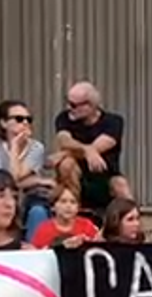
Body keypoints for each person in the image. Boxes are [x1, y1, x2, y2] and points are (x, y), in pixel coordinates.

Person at [51, 81, 130, 212]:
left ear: (91, 105)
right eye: (68, 102)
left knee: (121, 186)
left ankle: (134, 225)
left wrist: (65, 153)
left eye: (74, 105)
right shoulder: (64, 118)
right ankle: (74, 211)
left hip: (104, 175)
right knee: (66, 164)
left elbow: (102, 145)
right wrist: (88, 150)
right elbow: (64, 140)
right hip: (74, 177)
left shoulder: (113, 121)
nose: (69, 108)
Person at [0, 99, 51, 239]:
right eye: (19, 119)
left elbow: (13, 178)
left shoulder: (36, 147)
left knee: (38, 211)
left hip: (30, 196)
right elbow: (6, 180)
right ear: (3, 123)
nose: (25, 123)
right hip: (0, 194)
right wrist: (37, 180)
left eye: (28, 119)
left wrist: (32, 182)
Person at [28, 185, 100, 249]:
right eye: (63, 201)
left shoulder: (86, 225)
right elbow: (39, 254)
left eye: (73, 202)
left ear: (78, 208)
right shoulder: (44, 229)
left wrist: (87, 242)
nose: (68, 206)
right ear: (53, 207)